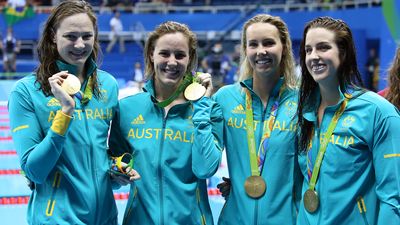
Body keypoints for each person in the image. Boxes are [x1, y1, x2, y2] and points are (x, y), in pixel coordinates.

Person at [7, 1, 139, 224]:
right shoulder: (27, 91)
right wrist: (65, 112)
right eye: (71, 36)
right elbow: (34, 171)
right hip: (56, 218)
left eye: (87, 36)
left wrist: (118, 170)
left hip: (105, 217)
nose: (80, 45)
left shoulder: (107, 85)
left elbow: (105, 157)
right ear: (52, 36)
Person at [108, 21, 224, 225]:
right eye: (164, 53)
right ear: (152, 55)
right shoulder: (127, 109)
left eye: (180, 55)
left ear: (190, 59)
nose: (172, 62)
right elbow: (115, 169)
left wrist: (201, 106)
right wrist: (116, 172)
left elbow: (205, 169)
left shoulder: (209, 110)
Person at [296, 16, 400, 224]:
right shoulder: (304, 111)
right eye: (308, 50)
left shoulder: (378, 112)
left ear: (343, 53)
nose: (314, 56)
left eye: (323, 48)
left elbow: (392, 199)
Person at [213, 14, 301, 225]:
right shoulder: (225, 98)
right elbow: (204, 163)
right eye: (253, 44)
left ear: (284, 47)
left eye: (269, 43)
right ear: (245, 51)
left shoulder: (303, 101)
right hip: (235, 219)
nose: (261, 51)